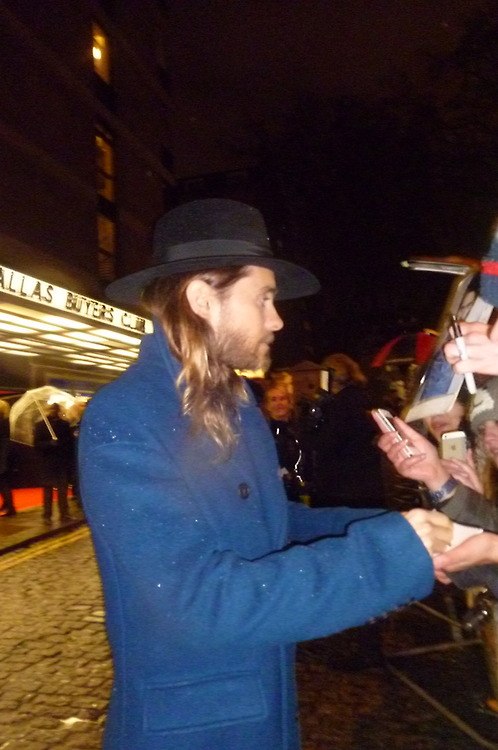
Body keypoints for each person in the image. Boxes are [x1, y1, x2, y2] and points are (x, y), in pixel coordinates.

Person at [78, 198, 452, 750]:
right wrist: (394, 553)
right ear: (204, 298)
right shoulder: (126, 416)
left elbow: (275, 530)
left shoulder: (234, 404)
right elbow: (194, 603)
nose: (277, 319)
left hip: (261, 708)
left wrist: (417, 529)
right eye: (265, 298)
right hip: (192, 730)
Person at [312, 352, 386, 507]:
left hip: (341, 486)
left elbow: (326, 442)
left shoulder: (337, 405)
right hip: (368, 481)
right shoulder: (365, 398)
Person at [262, 382, 309, 503]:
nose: (279, 403)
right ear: (267, 405)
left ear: (290, 402)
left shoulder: (301, 427)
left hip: (304, 487)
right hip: (281, 489)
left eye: (282, 399)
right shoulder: (265, 433)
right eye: (273, 400)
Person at [34, 402, 74, 523]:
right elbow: (37, 444)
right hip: (49, 461)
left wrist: (59, 444)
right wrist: (49, 444)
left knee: (60, 489)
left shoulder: (64, 424)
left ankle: (62, 514)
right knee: (50, 489)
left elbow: (69, 444)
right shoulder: (41, 425)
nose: (54, 411)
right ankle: (48, 515)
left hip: (59, 461)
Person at [0, 400, 15, 517]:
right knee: (4, 484)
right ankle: (6, 504)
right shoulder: (6, 422)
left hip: (2, 458)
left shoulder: (2, 423)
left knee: (4, 484)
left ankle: (10, 508)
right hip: (5, 457)